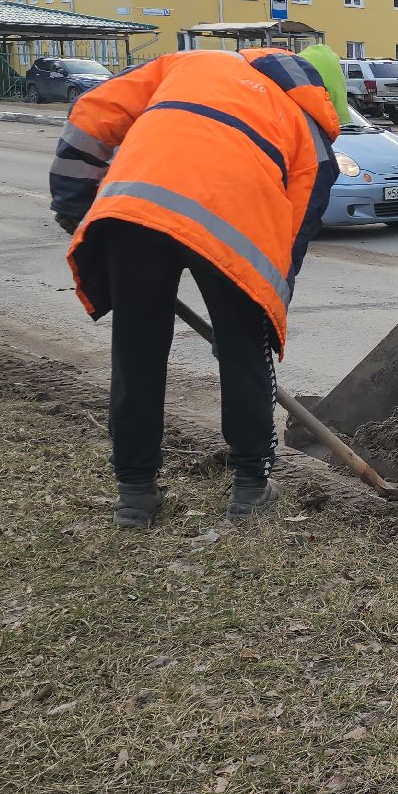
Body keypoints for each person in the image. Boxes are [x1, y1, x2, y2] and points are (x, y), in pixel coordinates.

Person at [48, 44, 350, 529]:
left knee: (137, 352)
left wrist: (73, 202)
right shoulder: (307, 129)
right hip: (233, 224)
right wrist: (263, 309)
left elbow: (92, 112)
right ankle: (251, 486)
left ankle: (134, 494)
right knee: (244, 352)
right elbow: (294, 233)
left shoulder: (187, 63)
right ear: (324, 97)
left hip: (136, 210)